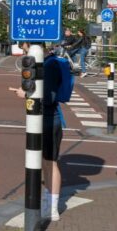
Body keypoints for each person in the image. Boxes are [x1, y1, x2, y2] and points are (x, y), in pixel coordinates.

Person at [42, 44, 65, 221]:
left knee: (51, 162)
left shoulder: (49, 65)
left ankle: (53, 206)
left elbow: (48, 97)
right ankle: (48, 199)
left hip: (50, 120)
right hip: (44, 119)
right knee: (45, 162)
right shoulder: (47, 63)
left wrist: (26, 94)